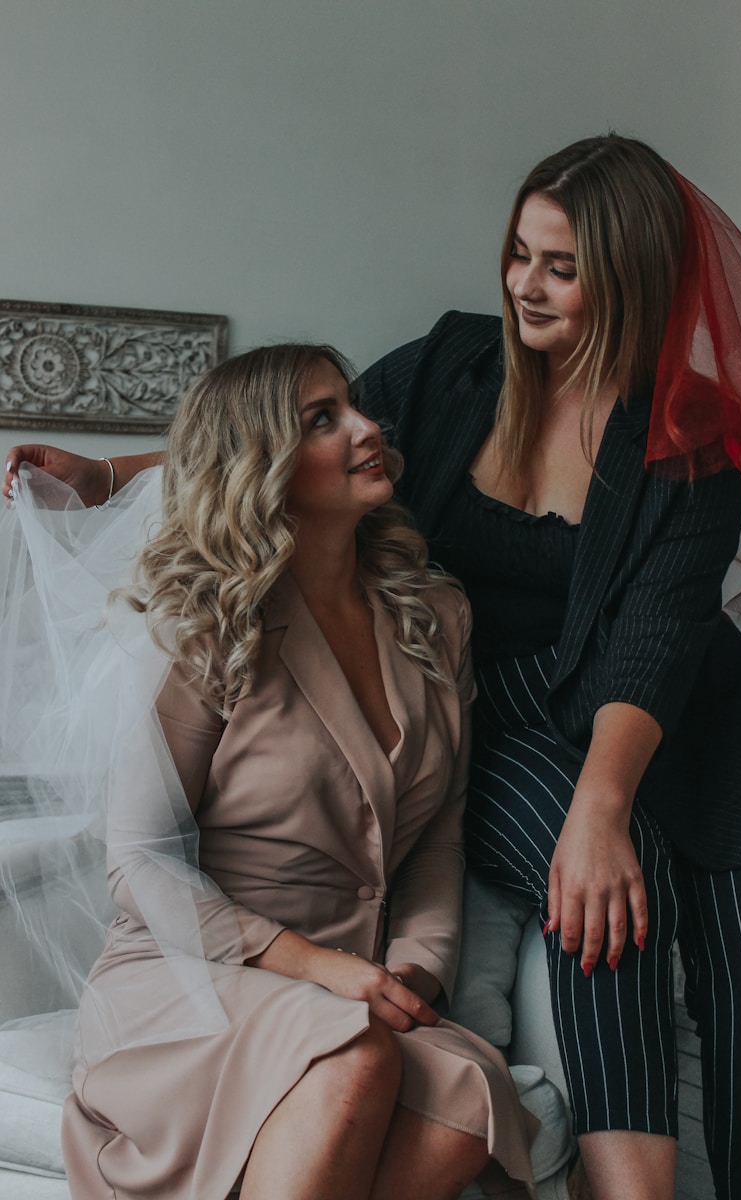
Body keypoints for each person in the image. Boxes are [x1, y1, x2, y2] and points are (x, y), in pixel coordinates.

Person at [6, 133, 741, 1200]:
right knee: (606, 897)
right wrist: (110, 474)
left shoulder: (685, 430)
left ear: (632, 276)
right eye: (518, 252)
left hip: (688, 726)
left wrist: (604, 807)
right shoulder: (453, 368)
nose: (524, 285)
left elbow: (652, 640)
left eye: (561, 268)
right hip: (516, 712)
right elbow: (270, 441)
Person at [1, 344, 539, 1200]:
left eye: (352, 405)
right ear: (265, 467)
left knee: (468, 1103)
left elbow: (440, 834)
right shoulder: (202, 626)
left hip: (359, 985)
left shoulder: (436, 616)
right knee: (354, 1058)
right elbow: (137, 860)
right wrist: (312, 967)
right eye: (323, 419)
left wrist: (414, 971)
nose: (368, 427)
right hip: (191, 980)